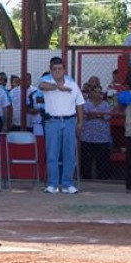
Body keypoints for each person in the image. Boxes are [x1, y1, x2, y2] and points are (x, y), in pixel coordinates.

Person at [37, 58, 85, 194]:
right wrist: (58, 87)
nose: (57, 72)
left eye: (60, 69)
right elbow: (41, 86)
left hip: (70, 121)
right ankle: (52, 184)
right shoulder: (47, 83)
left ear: (64, 70)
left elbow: (80, 104)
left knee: (69, 154)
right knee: (52, 154)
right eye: (54, 69)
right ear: (51, 71)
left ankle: (67, 183)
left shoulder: (73, 85)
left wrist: (80, 122)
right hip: (52, 122)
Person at [79, 82, 113, 181]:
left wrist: (94, 115)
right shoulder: (85, 104)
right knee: (86, 162)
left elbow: (107, 116)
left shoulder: (106, 104)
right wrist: (100, 115)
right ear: (90, 93)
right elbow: (86, 116)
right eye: (96, 92)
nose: (98, 94)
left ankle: (103, 180)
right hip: (87, 138)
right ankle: (86, 179)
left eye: (100, 92)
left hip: (102, 139)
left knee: (102, 162)